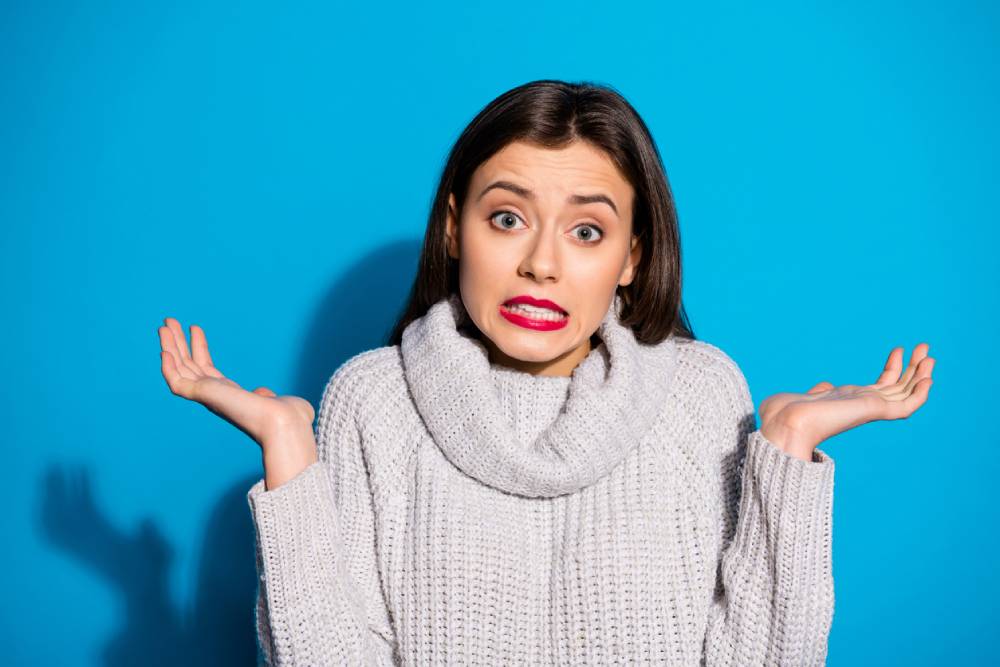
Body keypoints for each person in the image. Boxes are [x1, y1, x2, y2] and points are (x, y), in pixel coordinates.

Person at [157, 79, 935, 666]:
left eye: (588, 230)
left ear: (632, 257)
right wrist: (290, 452)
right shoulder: (374, 399)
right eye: (507, 217)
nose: (540, 262)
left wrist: (789, 446)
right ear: (456, 226)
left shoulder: (700, 395)